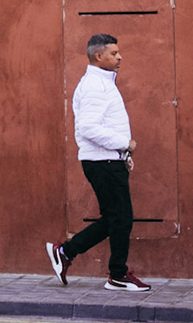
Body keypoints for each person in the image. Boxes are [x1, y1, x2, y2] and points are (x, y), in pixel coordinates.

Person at [46, 33, 152, 292]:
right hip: (101, 162)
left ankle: (67, 253)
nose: (119, 57)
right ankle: (117, 274)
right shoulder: (95, 86)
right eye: (114, 53)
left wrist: (122, 156)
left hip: (107, 160)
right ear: (98, 56)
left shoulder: (102, 83)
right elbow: (88, 128)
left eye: (118, 53)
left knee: (115, 218)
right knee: (121, 218)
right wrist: (124, 144)